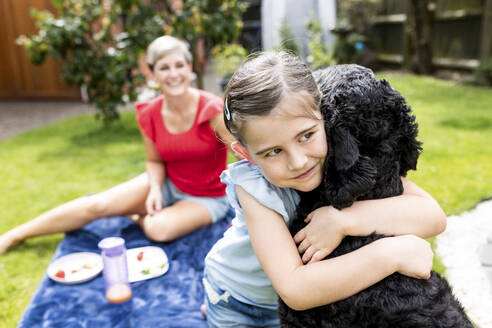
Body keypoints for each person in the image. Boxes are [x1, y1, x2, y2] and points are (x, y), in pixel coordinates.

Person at [201, 51, 447, 327]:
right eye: (273, 152)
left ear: (326, 118)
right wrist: (392, 255)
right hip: (243, 304)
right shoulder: (255, 189)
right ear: (244, 154)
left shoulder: (339, 157)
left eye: (306, 136)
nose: (298, 161)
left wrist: (344, 220)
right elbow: (295, 289)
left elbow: (433, 215)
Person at [0, 35, 235, 255]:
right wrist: (154, 188)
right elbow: (154, 160)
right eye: (164, 67)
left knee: (159, 229)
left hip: (207, 196)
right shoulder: (150, 113)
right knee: (97, 205)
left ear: (190, 68)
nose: (173, 74)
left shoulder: (212, 110)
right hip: (167, 183)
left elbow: (241, 152)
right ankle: (16, 234)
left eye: (179, 65)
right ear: (152, 73)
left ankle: (135, 214)